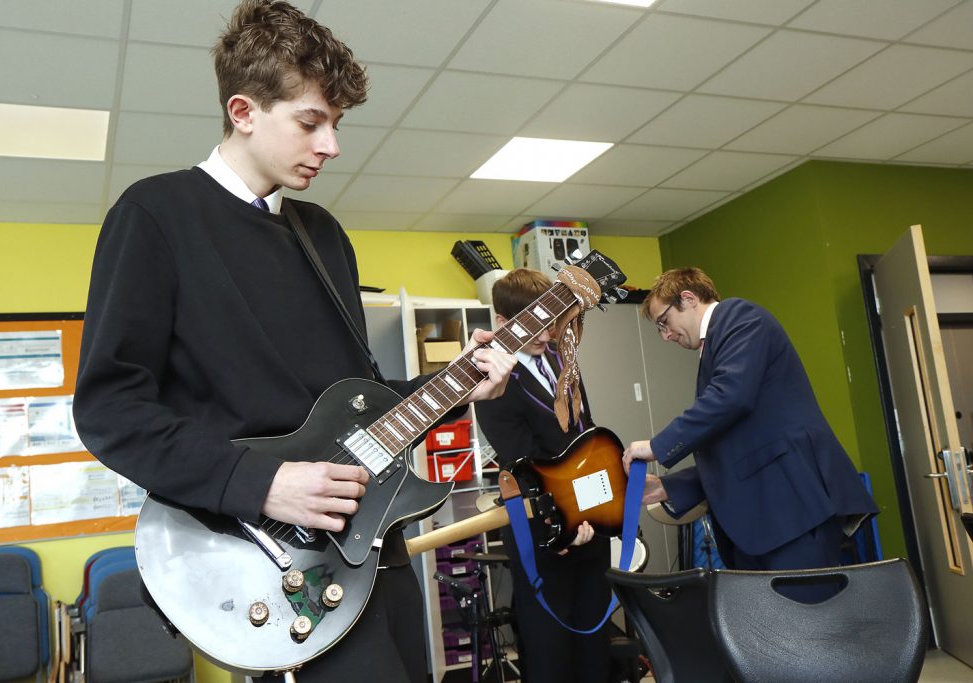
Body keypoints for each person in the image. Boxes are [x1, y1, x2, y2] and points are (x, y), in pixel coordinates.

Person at [71, 2, 515, 681]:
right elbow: (110, 410)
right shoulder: (154, 215)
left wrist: (460, 384)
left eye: (336, 124)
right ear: (244, 111)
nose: (331, 144)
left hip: (374, 548)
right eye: (311, 122)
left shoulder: (323, 235)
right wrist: (263, 483)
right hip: (270, 552)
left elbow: (360, 406)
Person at [623, 268, 878, 585]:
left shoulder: (740, 316)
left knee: (804, 625)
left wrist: (656, 447)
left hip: (791, 512)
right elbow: (738, 446)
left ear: (687, 299)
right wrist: (668, 487)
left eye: (664, 322)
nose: (666, 335)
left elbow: (730, 397)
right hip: (767, 520)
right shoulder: (717, 344)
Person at [474, 269, 613, 683]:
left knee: (595, 645)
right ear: (502, 322)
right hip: (543, 522)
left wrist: (598, 508)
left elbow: (585, 435)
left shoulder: (560, 358)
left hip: (591, 518)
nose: (547, 335)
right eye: (534, 326)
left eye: (550, 323)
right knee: (549, 647)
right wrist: (570, 519)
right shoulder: (489, 378)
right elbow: (525, 461)